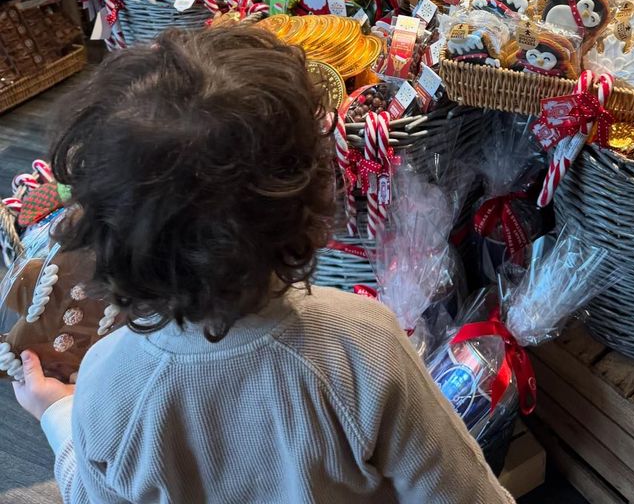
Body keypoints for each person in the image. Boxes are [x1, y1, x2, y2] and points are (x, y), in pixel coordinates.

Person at [13, 25, 514, 504]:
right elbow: (462, 493)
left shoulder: (108, 379)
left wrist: (57, 412)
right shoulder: (363, 343)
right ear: (313, 197)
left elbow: (92, 490)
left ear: (103, 233)